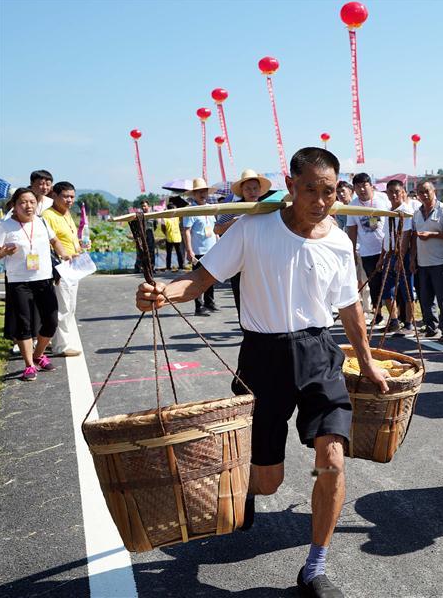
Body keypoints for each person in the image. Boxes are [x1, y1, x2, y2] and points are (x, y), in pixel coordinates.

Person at [135, 147, 388, 597]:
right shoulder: (252, 230)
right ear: (290, 186)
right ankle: (249, 490)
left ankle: (315, 566)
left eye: (329, 192)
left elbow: (349, 305)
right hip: (262, 358)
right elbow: (200, 279)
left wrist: (366, 360)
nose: (320, 201)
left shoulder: (338, 241)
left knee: (331, 461)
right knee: (269, 481)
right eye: (310, 189)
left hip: (319, 354)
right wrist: (163, 293)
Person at [0, 188, 70, 381]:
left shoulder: (41, 221)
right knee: (24, 323)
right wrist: (4, 252)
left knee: (51, 321)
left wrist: (64, 254)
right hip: (18, 281)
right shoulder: (4, 226)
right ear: (14, 205)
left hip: (44, 278)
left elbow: (55, 241)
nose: (28, 206)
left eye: (32, 202)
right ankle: (29, 365)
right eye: (23, 202)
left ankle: (38, 355)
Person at [215, 169, 272, 319]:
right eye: (248, 189)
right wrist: (236, 221)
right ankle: (246, 329)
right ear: (242, 191)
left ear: (260, 189)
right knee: (241, 300)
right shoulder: (233, 208)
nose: (252, 192)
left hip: (262, 261)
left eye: (255, 188)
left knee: (263, 301)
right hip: (238, 260)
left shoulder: (266, 209)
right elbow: (217, 229)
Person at [41, 181, 86, 357]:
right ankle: (61, 346)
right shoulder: (48, 215)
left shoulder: (66, 213)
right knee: (63, 306)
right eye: (66, 196)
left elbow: (67, 238)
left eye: (72, 197)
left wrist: (79, 245)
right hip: (61, 266)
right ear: (54, 195)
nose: (69, 200)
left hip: (73, 265)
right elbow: (48, 243)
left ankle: (64, 341)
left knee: (70, 306)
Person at [412, 180, 443, 341]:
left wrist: (432, 235)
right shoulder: (417, 213)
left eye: (427, 191)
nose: (424, 195)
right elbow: (413, 237)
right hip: (422, 261)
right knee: (426, 297)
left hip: (440, 260)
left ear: (434, 192)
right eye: (421, 192)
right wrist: (412, 259)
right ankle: (431, 327)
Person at [346, 173, 391, 327]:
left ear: (371, 186)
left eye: (364, 185)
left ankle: (397, 317)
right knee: (374, 285)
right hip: (367, 252)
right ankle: (377, 315)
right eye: (358, 187)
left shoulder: (383, 199)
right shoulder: (353, 206)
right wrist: (352, 251)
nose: (362, 189)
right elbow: (351, 230)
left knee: (390, 284)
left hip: (386, 249)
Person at [381, 179, 415, 335]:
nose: (394, 195)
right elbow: (386, 236)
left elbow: (407, 235)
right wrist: (382, 258)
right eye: (391, 192)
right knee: (386, 290)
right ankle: (394, 321)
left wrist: (400, 257)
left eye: (397, 191)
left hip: (403, 254)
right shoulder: (389, 211)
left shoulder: (406, 211)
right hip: (390, 254)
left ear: (402, 193)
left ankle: (409, 324)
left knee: (407, 291)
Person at [181, 178, 218, 316]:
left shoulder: (210, 208)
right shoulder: (191, 210)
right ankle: (199, 305)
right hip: (198, 250)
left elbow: (215, 229)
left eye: (204, 191)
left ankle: (210, 302)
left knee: (211, 277)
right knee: (197, 279)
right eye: (199, 192)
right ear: (194, 194)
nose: (203, 194)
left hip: (212, 249)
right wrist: (189, 250)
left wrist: (219, 243)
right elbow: (186, 231)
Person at [134, 200, 157, 273]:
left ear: (148, 206)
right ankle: (138, 267)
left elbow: (155, 226)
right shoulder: (139, 215)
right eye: (142, 206)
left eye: (145, 206)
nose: (143, 208)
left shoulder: (153, 215)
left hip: (150, 234)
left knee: (151, 251)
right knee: (140, 251)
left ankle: (151, 267)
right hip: (141, 234)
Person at [161, 203, 184, 271]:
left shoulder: (176, 217)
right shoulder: (165, 218)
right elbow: (163, 228)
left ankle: (179, 266)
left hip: (175, 238)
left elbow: (163, 228)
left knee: (178, 253)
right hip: (171, 238)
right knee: (171, 253)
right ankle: (170, 267)